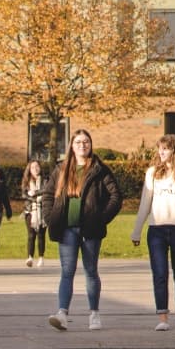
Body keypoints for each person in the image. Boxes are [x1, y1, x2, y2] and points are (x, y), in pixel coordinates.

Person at [46, 130, 122, 331]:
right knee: (67, 272)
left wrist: (101, 218)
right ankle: (62, 313)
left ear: (90, 145)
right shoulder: (61, 169)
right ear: (71, 145)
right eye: (78, 142)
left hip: (90, 230)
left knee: (90, 271)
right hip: (67, 230)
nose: (82, 145)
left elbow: (115, 197)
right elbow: (47, 195)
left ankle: (94, 314)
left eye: (86, 142)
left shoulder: (100, 169)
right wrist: (50, 218)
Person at [131, 134, 175, 332]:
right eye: (159, 149)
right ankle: (162, 315)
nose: (161, 152)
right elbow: (145, 203)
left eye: (165, 149)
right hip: (157, 230)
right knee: (159, 273)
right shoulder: (152, 173)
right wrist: (136, 231)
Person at [21, 159, 52, 268]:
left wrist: (36, 193)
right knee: (31, 235)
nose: (35, 169)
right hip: (30, 210)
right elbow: (24, 194)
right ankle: (29, 257)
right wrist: (33, 198)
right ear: (29, 169)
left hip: (43, 210)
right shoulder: (26, 180)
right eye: (33, 167)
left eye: (37, 166)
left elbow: (47, 190)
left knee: (41, 235)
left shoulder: (45, 180)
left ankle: (41, 257)